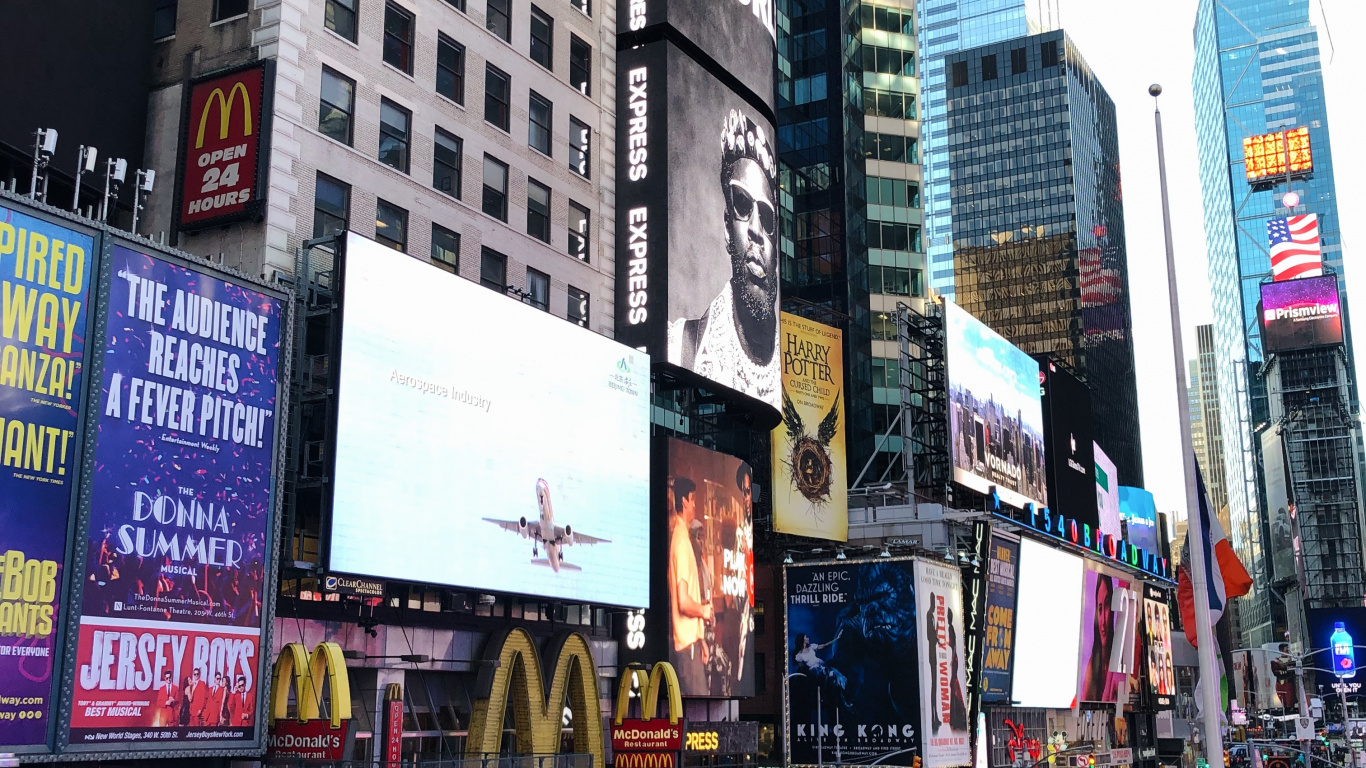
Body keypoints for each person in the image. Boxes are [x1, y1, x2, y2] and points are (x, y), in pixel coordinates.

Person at [668, 109, 780, 405]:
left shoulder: (793, 371)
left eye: (767, 218)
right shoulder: (681, 346)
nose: (756, 229)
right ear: (727, 228)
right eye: (743, 205)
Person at [668, 477, 712, 693]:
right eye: (693, 500)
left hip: (690, 644)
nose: (695, 505)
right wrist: (704, 610)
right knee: (698, 717)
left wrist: (700, 638)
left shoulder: (681, 538)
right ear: (684, 501)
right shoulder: (682, 543)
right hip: (687, 649)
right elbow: (684, 602)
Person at [1082, 575, 1115, 701]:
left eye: (1107, 606)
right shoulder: (1093, 664)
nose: (1103, 621)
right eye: (1100, 608)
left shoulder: (1122, 659)